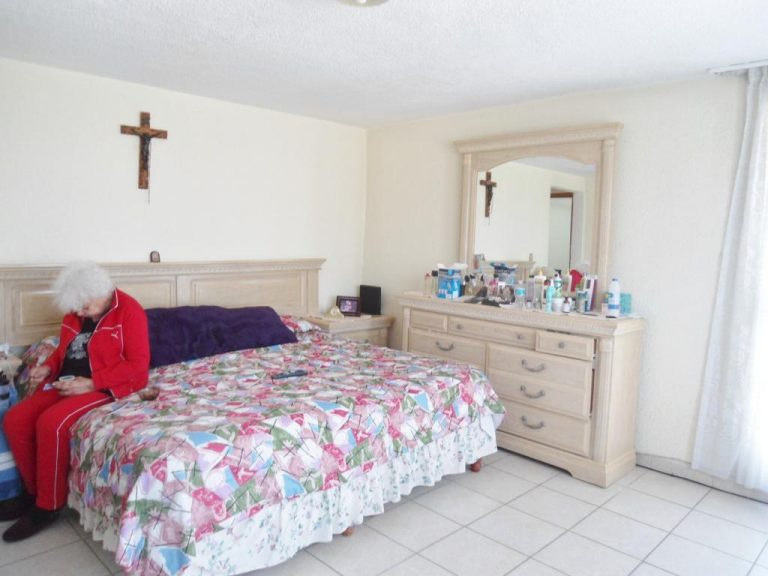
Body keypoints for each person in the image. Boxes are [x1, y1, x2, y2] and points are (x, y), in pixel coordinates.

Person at [0, 261, 150, 542]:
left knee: (51, 423)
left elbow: (138, 366)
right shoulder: (75, 312)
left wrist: (92, 383)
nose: (79, 313)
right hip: (68, 381)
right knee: (14, 419)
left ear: (101, 294)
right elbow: (64, 350)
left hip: (106, 385)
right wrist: (48, 367)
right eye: (76, 308)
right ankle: (32, 493)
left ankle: (48, 506)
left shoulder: (130, 312)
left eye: (85, 307)